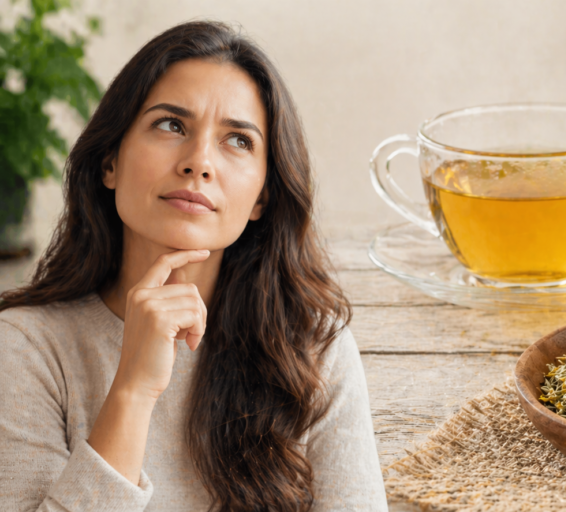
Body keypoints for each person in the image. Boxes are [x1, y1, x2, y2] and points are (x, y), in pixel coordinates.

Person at [0, 21, 387, 511]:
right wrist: (134, 389)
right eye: (171, 125)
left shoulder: (314, 347)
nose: (199, 161)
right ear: (109, 161)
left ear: (262, 198)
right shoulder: (25, 347)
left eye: (238, 141)